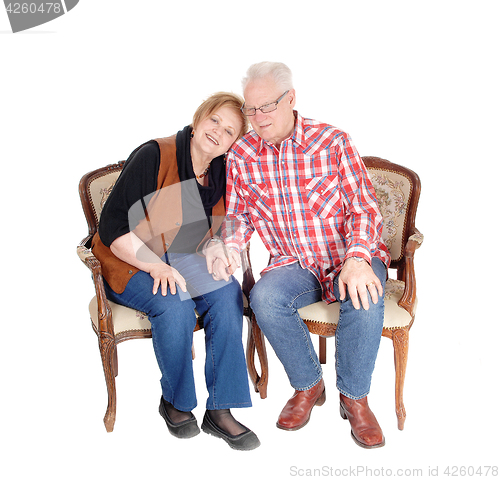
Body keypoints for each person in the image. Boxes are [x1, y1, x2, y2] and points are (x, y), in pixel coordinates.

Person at [207, 63, 391, 449]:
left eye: (268, 106)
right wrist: (232, 248)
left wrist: (358, 259)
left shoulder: (333, 141)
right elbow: (240, 215)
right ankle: (309, 385)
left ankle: (354, 398)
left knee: (365, 297)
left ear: (291, 99)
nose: (258, 118)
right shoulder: (242, 154)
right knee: (264, 298)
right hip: (293, 262)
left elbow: (365, 207)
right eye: (250, 110)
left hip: (348, 254)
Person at [91, 92, 260, 451]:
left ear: (234, 142)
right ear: (199, 119)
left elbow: (202, 230)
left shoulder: (220, 171)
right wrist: (154, 266)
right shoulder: (156, 153)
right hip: (128, 256)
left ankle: (220, 409)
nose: (218, 132)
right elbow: (113, 226)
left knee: (227, 293)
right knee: (175, 303)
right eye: (215, 120)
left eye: (230, 131)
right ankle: (177, 402)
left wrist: (216, 248)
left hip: (179, 254)